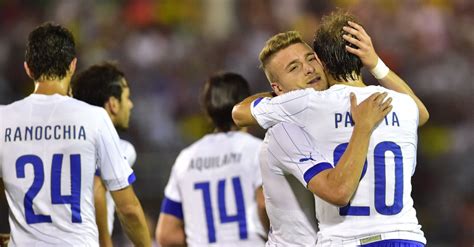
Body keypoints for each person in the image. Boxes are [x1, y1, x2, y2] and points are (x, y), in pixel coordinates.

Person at [233, 12, 428, 246]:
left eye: (310, 59)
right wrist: (376, 64)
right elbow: (421, 113)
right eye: (294, 67)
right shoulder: (402, 104)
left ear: (322, 61)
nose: (308, 69)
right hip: (407, 237)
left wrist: (282, 100)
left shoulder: (305, 105)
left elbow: (239, 114)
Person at [0, 22, 150, 246]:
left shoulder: (3, 119)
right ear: (72, 66)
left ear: (28, 69)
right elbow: (128, 209)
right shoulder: (95, 118)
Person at [156, 72, 268, 246]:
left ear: (207, 110)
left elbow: (166, 235)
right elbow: (264, 204)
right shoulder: (257, 149)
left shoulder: (185, 159)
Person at [71, 62, 136, 246]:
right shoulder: (122, 148)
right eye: (127, 97)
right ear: (113, 104)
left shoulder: (66, 144)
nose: (131, 105)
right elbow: (98, 188)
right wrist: (106, 243)